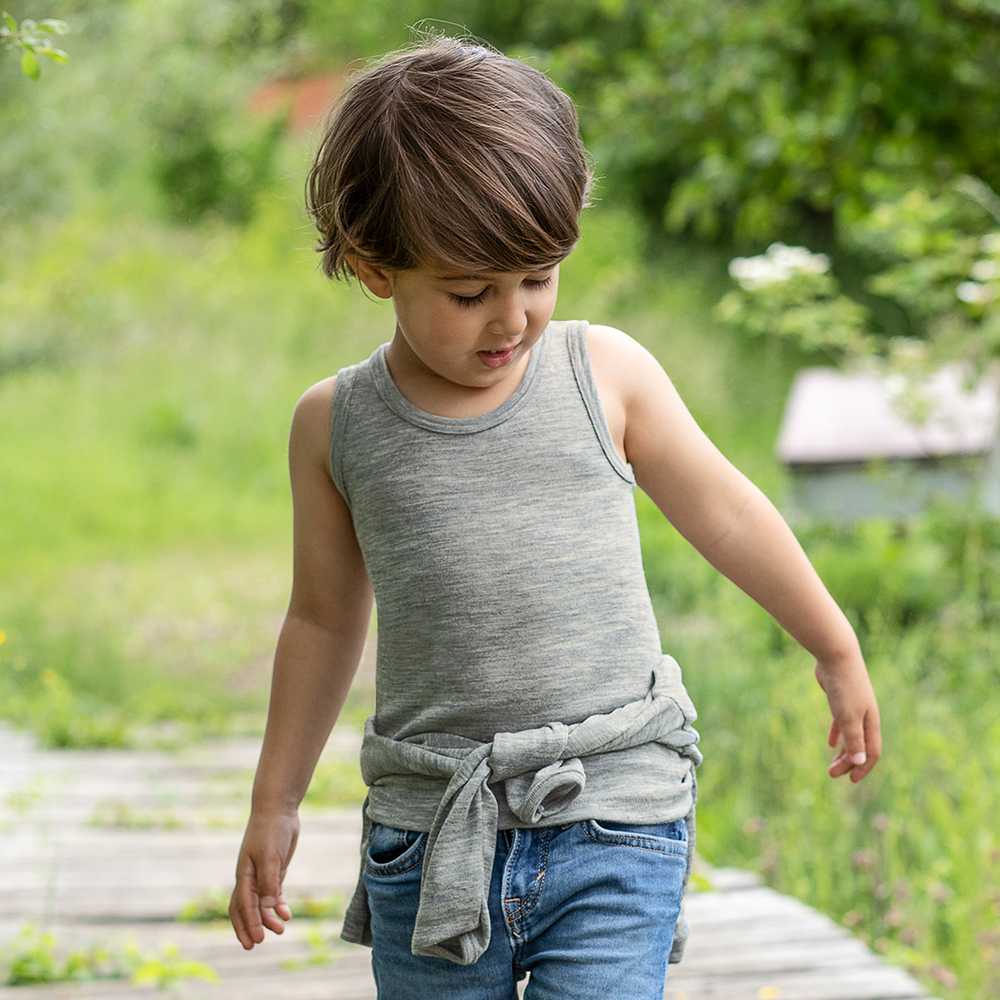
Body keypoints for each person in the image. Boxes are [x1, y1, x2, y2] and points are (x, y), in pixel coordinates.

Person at [228, 32, 882, 1000]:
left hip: (615, 810)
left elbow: (728, 514)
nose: (512, 318)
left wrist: (832, 644)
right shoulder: (336, 424)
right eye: (468, 292)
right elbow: (323, 618)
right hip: (432, 829)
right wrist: (274, 802)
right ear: (374, 267)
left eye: (537, 277)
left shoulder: (603, 373)